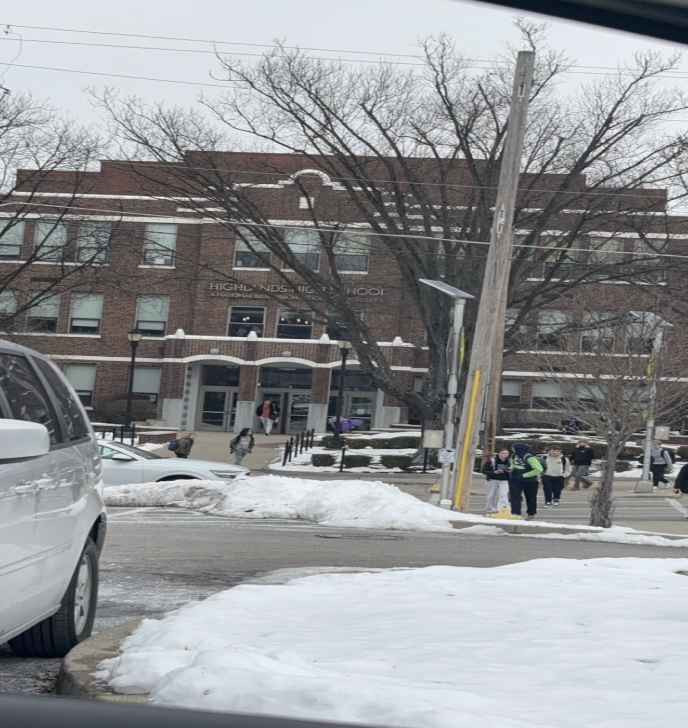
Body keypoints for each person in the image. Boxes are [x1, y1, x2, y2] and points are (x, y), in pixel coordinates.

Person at [508, 442, 544, 520]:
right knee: (515, 497)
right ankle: (516, 513)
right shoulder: (514, 456)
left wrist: (525, 475)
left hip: (530, 481)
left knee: (530, 497)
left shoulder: (529, 457)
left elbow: (539, 469)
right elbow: (512, 464)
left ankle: (531, 513)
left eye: (513, 448)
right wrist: (511, 468)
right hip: (515, 480)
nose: (512, 449)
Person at [481, 449, 511, 514]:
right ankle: (490, 508)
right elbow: (484, 470)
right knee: (491, 495)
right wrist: (494, 472)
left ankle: (503, 508)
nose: (504, 455)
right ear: (498, 454)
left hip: (504, 480)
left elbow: (511, 470)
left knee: (504, 494)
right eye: (503, 453)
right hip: (493, 479)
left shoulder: (509, 462)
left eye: (506, 453)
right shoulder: (492, 461)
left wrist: (509, 471)